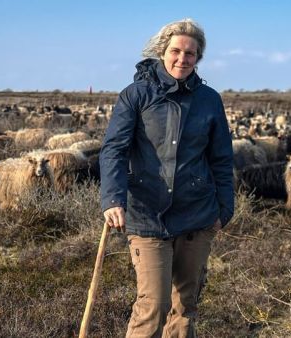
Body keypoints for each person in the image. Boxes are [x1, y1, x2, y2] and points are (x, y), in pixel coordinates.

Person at [99, 18, 234, 337]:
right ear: (163, 51)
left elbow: (221, 158)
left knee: (185, 306)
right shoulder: (136, 95)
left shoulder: (209, 100)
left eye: (191, 54)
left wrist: (224, 209)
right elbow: (113, 149)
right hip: (148, 217)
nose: (182, 59)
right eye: (176, 51)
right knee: (153, 305)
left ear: (198, 58)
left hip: (197, 215)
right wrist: (113, 199)